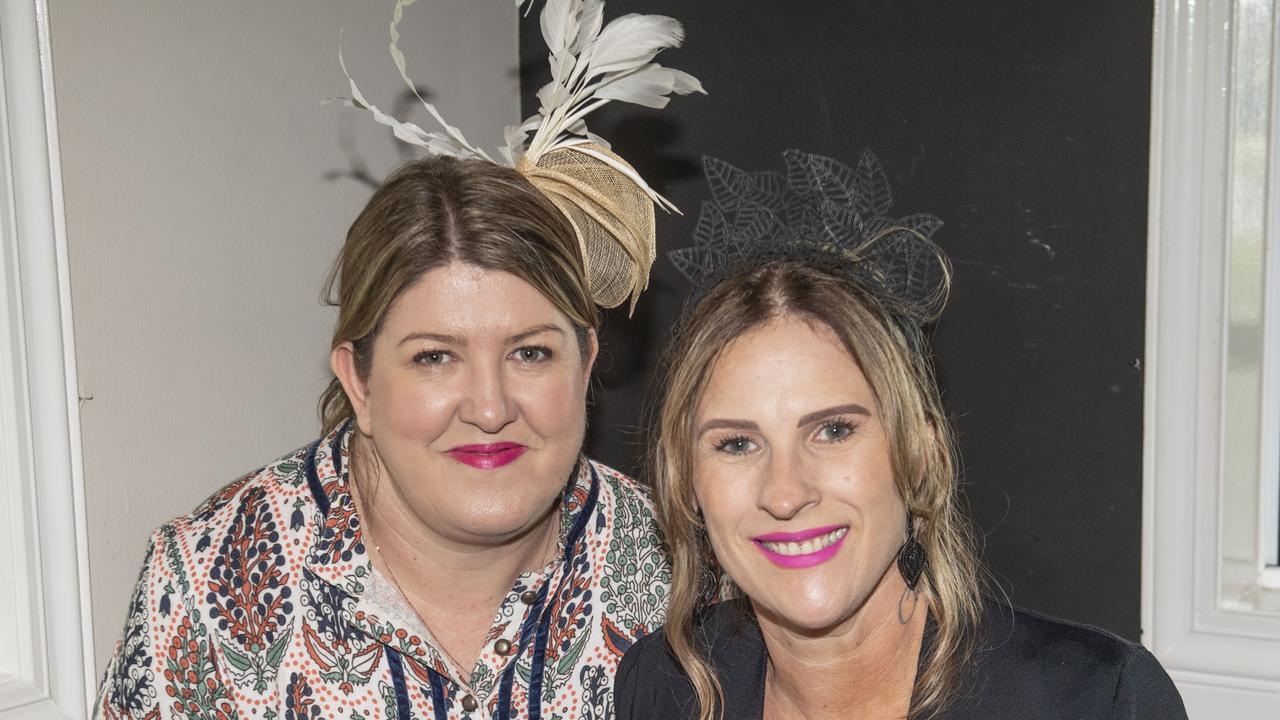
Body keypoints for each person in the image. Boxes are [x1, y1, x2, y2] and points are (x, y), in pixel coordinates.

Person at [94, 2, 702, 718]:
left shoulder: (679, 568)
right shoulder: (205, 581)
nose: (489, 406)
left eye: (531, 352)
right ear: (359, 380)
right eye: (436, 357)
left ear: (587, 361)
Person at [615, 150, 1186, 720]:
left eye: (833, 430)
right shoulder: (660, 688)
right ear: (686, 481)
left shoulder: (1097, 700)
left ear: (921, 453)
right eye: (737, 444)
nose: (785, 493)